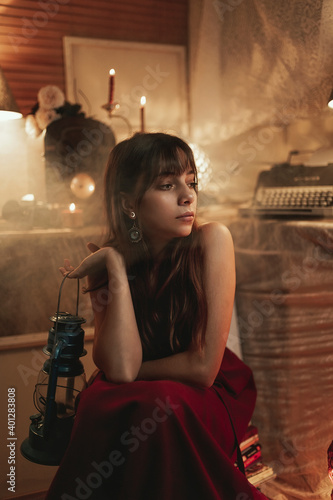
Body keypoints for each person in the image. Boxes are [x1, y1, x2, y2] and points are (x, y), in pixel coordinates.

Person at [46, 133, 268, 500]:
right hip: (144, 389)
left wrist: (132, 374)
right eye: (167, 185)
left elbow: (202, 368)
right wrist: (115, 266)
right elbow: (118, 367)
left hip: (210, 391)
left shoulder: (213, 240)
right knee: (101, 401)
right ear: (129, 203)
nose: (188, 195)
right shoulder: (109, 257)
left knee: (156, 405)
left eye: (191, 182)